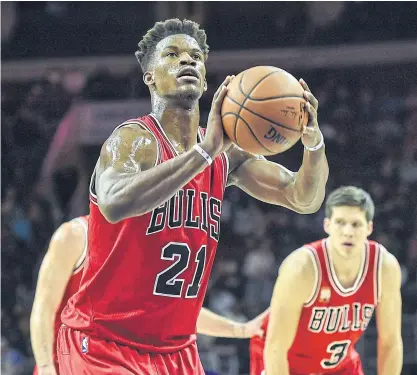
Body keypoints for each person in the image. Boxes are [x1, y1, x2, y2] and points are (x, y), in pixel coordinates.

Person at [59, 18, 329, 375]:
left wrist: (313, 143)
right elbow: (113, 202)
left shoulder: (224, 156)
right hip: (104, 342)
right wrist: (204, 152)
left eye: (195, 56)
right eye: (171, 55)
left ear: (204, 78)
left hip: (177, 350)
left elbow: (304, 198)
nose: (187, 61)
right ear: (150, 76)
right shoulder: (134, 139)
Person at [263, 186, 403, 375]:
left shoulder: (384, 268)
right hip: (284, 362)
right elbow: (275, 349)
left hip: (339, 365)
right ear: (327, 225)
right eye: (340, 222)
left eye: (356, 224)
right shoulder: (302, 268)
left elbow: (391, 342)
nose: (348, 232)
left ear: (369, 228)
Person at [30, 216, 88, 375]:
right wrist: (45, 366)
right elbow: (43, 308)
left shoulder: (140, 246)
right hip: (60, 366)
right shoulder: (74, 235)